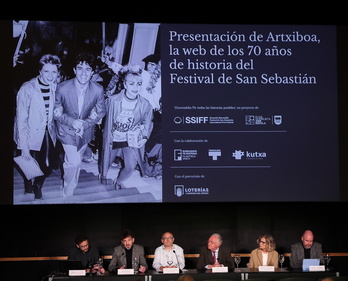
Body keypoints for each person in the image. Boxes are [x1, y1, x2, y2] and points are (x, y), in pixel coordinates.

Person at [54, 51, 106, 197]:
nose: (84, 73)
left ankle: (72, 183)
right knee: (73, 161)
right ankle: (67, 190)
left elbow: (101, 111)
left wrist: (86, 124)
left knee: (76, 161)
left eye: (88, 69)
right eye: (80, 68)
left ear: (92, 72)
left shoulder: (98, 89)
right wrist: (73, 122)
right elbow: (55, 112)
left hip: (85, 131)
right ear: (74, 70)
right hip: (66, 130)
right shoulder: (62, 87)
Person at [14, 54, 62, 200]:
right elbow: (21, 119)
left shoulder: (56, 87)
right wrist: (24, 146)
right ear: (40, 71)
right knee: (29, 162)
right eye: (46, 71)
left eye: (54, 72)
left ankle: (37, 185)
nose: (50, 75)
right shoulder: (27, 89)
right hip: (29, 133)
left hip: (48, 132)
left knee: (49, 165)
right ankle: (29, 184)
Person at [99, 64, 153, 189]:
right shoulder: (112, 100)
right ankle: (102, 177)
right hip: (113, 138)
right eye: (132, 83)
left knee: (130, 166)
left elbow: (148, 122)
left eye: (139, 84)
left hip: (130, 140)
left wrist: (144, 136)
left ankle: (118, 182)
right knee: (106, 163)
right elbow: (100, 113)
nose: (135, 87)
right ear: (125, 84)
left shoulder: (145, 104)